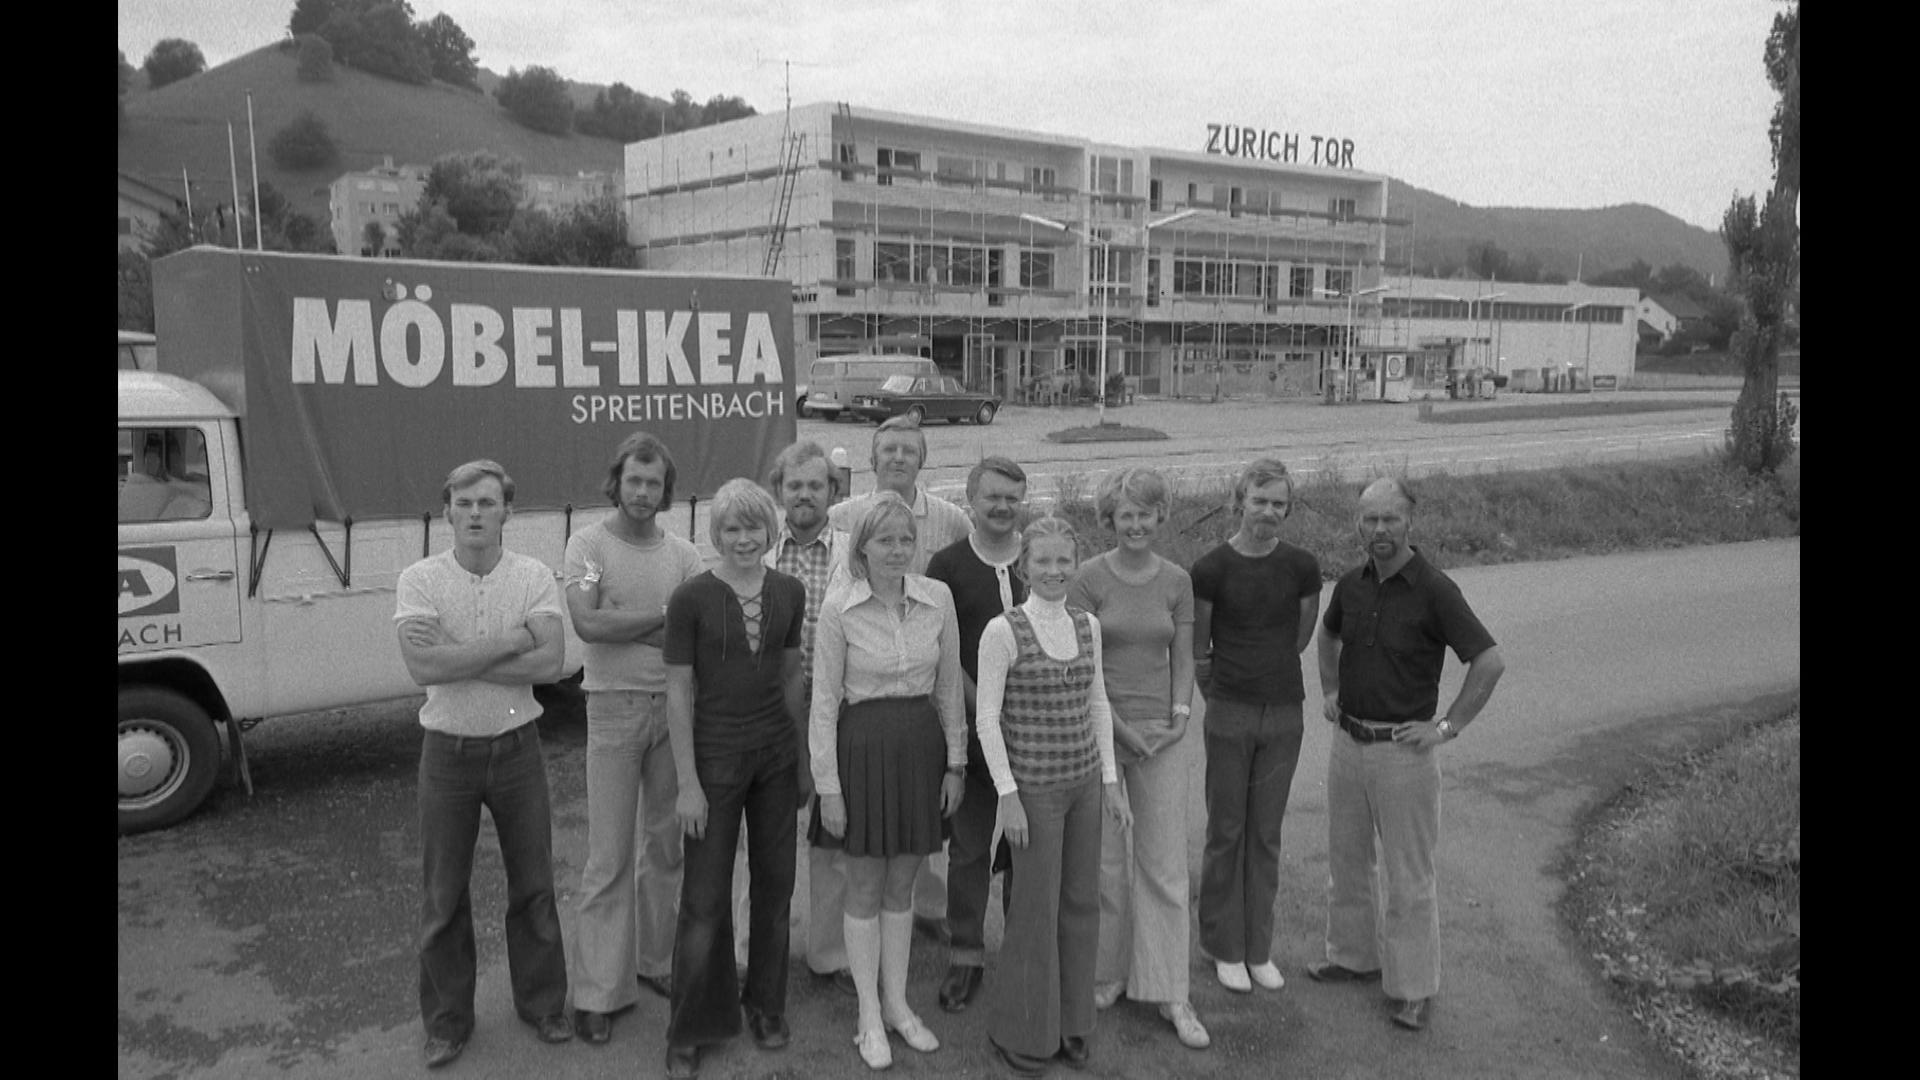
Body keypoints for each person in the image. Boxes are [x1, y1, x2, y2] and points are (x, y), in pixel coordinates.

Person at [393, 459, 572, 1069]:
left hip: (518, 748)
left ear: (507, 512)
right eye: (464, 502)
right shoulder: (418, 579)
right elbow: (423, 670)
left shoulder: (532, 576)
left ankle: (544, 1004)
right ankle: (447, 1022)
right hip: (447, 753)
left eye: (487, 503)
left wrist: (459, 654)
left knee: (535, 886)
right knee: (442, 895)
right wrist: (512, 641)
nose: (475, 513)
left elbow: (551, 665)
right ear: (446, 510)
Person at [1313, 477, 1505, 1032]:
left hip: (1403, 753)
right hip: (1348, 743)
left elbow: (1488, 661)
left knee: (1409, 876)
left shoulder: (1436, 591)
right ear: (1358, 524)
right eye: (1369, 519)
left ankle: (1412, 987)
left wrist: (1446, 726)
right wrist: (1329, 690)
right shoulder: (1350, 584)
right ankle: (1352, 957)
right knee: (1347, 862)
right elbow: (1327, 638)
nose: (1378, 530)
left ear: (1409, 522)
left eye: (1389, 519)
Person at [810, 491, 968, 1071]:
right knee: (864, 885)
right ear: (862, 548)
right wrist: (828, 787)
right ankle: (867, 1015)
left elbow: (949, 687)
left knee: (903, 883)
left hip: (921, 751)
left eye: (906, 539)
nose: (898, 549)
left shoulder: (939, 599)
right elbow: (824, 705)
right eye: (885, 540)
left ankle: (898, 1004)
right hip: (862, 754)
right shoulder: (839, 609)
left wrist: (956, 764)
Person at [659, 479, 810, 1080]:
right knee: (703, 900)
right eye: (732, 529)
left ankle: (766, 1005)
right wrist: (688, 782)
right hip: (715, 761)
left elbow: (793, 676)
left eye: (754, 528)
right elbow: (677, 690)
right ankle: (691, 1026)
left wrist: (800, 761)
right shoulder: (691, 598)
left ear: (770, 533)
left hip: (774, 756)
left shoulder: (790, 590)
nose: (744, 539)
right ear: (715, 534)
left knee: (776, 889)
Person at [563, 433, 705, 1045]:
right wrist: (664, 622)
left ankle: (657, 963)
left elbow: (693, 637)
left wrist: (643, 627)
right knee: (609, 856)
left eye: (654, 483)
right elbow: (589, 622)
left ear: (665, 489)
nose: (643, 492)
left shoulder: (684, 555)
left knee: (666, 849)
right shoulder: (590, 545)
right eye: (634, 481)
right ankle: (598, 992)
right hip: (614, 711)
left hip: (676, 712)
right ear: (617, 481)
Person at [974, 515, 1128, 1077]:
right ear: (1023, 566)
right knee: (1034, 913)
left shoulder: (1088, 624)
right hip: (1035, 792)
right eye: (1043, 561)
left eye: (1065, 560)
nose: (1055, 570)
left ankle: (1073, 1022)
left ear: (1076, 563)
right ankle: (1023, 1029)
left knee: (1080, 906)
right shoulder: (1003, 631)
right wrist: (1008, 797)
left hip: (1084, 784)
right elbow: (987, 720)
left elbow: (1098, 705)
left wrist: (1110, 782)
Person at [1067, 467, 1210, 1049]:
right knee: (1104, 863)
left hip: (1162, 737)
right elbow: (1081, 664)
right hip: (1101, 733)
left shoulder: (1177, 580)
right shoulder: (1085, 578)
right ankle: (1109, 973)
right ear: (1109, 520)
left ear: (1160, 516)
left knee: (1165, 865)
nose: (1135, 524)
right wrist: (1119, 729)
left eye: (1145, 514)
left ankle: (1169, 986)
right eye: (1124, 515)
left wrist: (1179, 718)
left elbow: (1184, 658)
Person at [827, 414, 972, 942]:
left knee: (921, 819)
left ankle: (924, 912)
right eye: (888, 450)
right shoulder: (842, 516)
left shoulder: (952, 520)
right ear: (872, 459)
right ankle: (864, 926)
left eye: (908, 451)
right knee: (866, 834)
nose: (897, 458)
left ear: (922, 459)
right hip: (863, 675)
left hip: (923, 674)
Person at [1189, 458, 1322, 995]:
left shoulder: (1302, 566)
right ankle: (1222, 946)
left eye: (1278, 504)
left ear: (1287, 509)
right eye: (1259, 500)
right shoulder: (1211, 568)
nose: (1268, 511)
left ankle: (1257, 947)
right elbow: (1200, 651)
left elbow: (1299, 636)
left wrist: (1267, 677)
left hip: (1285, 710)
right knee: (1227, 831)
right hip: (1229, 709)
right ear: (1238, 500)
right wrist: (1226, 692)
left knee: (1266, 832)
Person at [729, 441, 857, 995]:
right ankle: (750, 951)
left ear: (833, 491)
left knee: (833, 836)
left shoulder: (857, 552)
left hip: (841, 710)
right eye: (794, 486)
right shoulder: (754, 550)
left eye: (816, 485)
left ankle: (828, 954)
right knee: (760, 836)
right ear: (778, 492)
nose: (804, 495)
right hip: (769, 713)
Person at [925, 456, 1029, 1014]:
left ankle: (1022, 951)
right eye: (992, 496)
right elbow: (946, 650)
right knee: (967, 850)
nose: (1002, 506)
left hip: (1034, 739)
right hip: (970, 731)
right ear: (970, 498)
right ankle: (966, 955)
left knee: (1023, 849)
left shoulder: (1039, 558)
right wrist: (986, 711)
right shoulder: (947, 565)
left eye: (1012, 497)